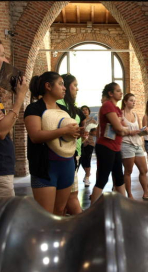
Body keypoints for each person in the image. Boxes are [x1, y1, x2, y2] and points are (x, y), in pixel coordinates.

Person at [24, 71, 80, 215]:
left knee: (60, 211)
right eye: (60, 84)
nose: (64, 88)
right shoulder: (34, 109)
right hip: (45, 168)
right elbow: (35, 136)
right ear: (48, 86)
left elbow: (67, 136)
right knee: (45, 215)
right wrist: (64, 131)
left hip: (66, 164)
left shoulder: (63, 110)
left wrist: (76, 133)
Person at [0, 37, 29, 209]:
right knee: (1, 226)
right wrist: (19, 99)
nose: (6, 60)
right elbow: (0, 130)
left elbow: (2, 123)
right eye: (2, 55)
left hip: (0, 170)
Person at [90, 83, 130, 203]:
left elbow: (124, 128)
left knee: (119, 177)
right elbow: (119, 128)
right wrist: (123, 130)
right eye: (118, 91)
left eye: (121, 90)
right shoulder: (108, 106)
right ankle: (93, 208)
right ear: (110, 93)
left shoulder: (117, 109)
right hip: (106, 147)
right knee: (103, 178)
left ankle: (124, 204)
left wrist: (123, 130)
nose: (121, 93)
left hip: (116, 147)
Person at [121, 93, 148, 200]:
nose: (133, 102)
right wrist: (131, 132)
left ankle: (146, 192)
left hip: (137, 144)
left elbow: (140, 131)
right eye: (131, 100)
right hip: (126, 144)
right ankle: (130, 195)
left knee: (144, 170)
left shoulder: (136, 115)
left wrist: (144, 130)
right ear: (125, 102)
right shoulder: (121, 114)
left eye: (134, 101)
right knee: (128, 171)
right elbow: (119, 131)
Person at [59, 74, 85, 215]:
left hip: (76, 150)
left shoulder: (71, 105)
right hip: (65, 153)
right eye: (74, 85)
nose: (77, 89)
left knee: (71, 194)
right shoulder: (59, 106)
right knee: (66, 197)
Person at [80, 105, 97, 187]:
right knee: (82, 160)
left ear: (89, 111)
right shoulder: (79, 120)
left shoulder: (93, 121)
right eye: (83, 110)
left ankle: (87, 178)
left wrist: (89, 133)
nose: (84, 111)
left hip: (90, 143)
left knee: (87, 160)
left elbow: (96, 133)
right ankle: (87, 173)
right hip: (80, 142)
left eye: (86, 110)